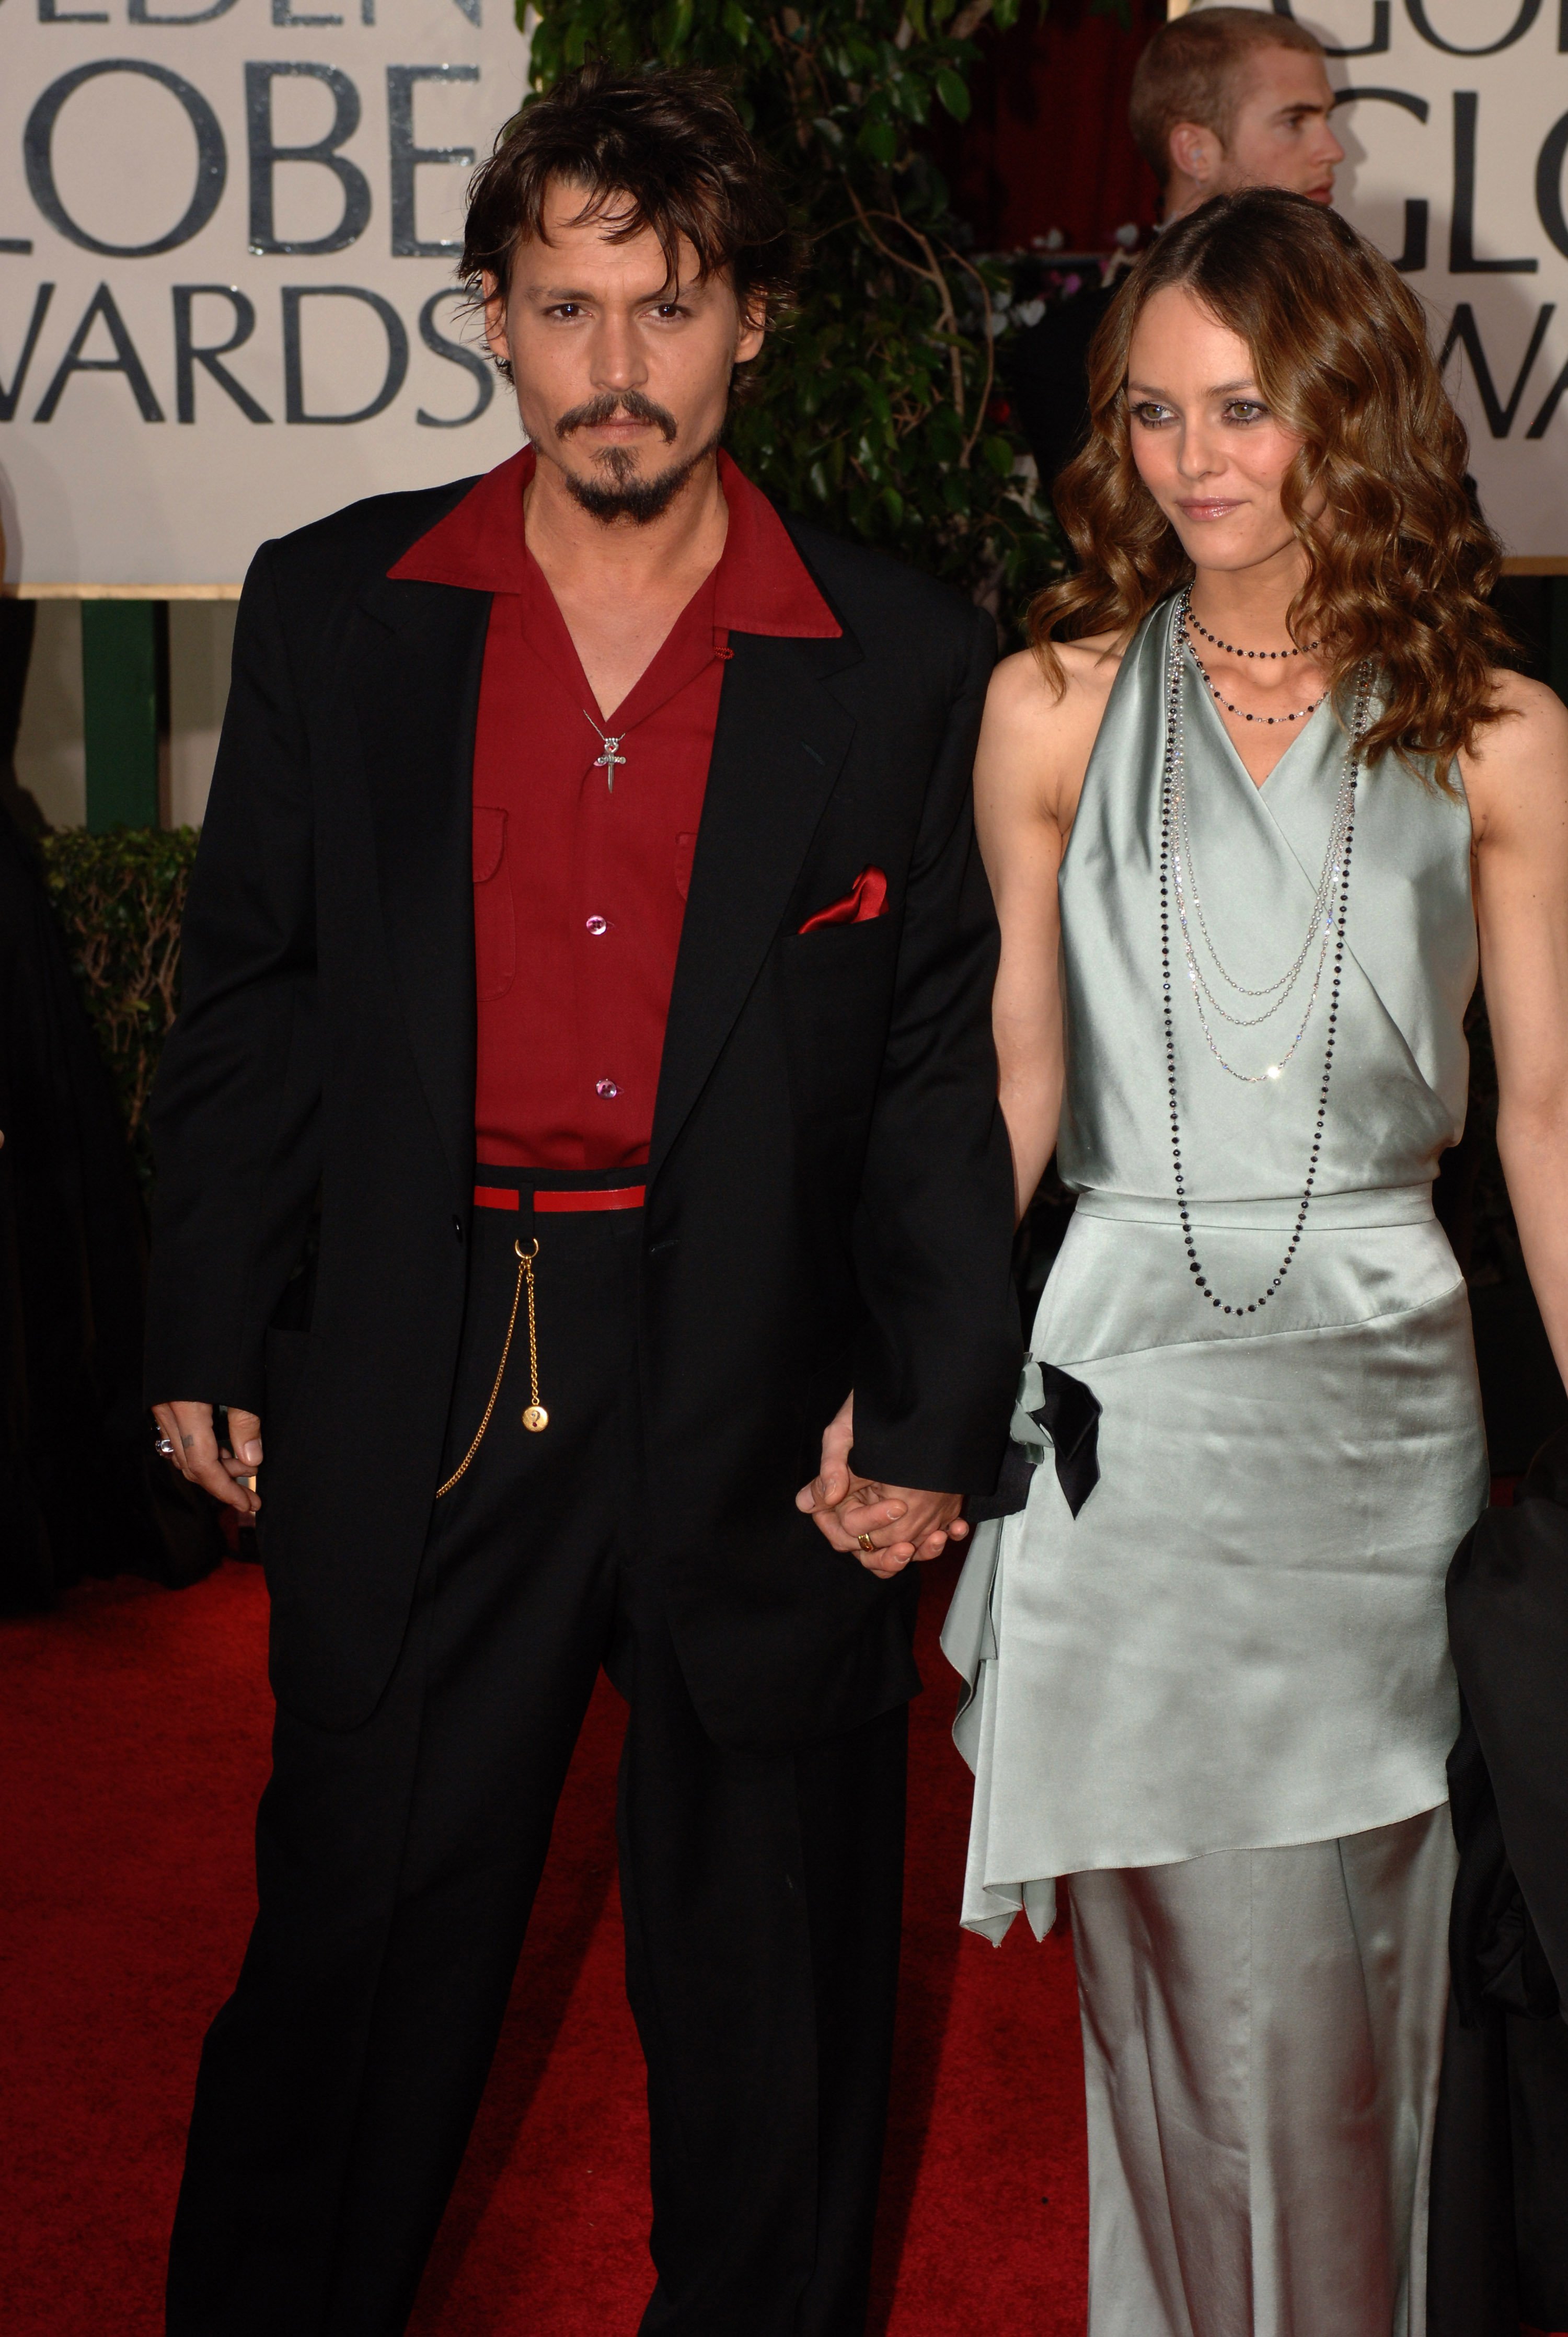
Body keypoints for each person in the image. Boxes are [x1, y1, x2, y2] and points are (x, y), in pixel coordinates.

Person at [144, 64, 1020, 2337]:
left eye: (667, 307)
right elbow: (250, 990)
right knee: (357, 1928)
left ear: (750, 323)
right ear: (493, 321)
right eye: (563, 307)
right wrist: (206, 1314)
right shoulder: (341, 609)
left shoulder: (899, 653)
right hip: (431, 1352)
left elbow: (935, 1064)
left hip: (763, 1379)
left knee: (775, 1981)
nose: (615, 369)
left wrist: (933, 1409)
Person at [942, 188, 1568, 2333]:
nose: (1198, 457)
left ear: (1351, 415)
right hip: (1122, 1401)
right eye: (1154, 414)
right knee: (1184, 2005)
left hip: (1383, 1414)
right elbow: (1015, 1095)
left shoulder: (1496, 735)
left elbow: (1549, 1118)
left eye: (1249, 408)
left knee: (1359, 1986)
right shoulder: (1047, 708)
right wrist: (916, 1383)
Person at [1010, 6, 1344, 505]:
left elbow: (1434, 525)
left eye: (1327, 119)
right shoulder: (1071, 354)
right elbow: (1121, 550)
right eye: (1294, 121)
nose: (1332, 149)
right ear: (1195, 153)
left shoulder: (1356, 315)